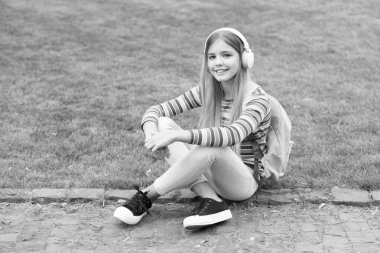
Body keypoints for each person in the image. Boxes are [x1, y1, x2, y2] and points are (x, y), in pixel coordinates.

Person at [114, 27, 271, 230]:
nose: (218, 63)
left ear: (244, 59)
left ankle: (147, 196)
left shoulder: (257, 99)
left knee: (212, 145)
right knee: (163, 123)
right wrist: (152, 131)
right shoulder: (209, 91)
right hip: (211, 174)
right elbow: (157, 110)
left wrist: (179, 135)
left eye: (226, 55)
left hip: (242, 184)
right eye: (212, 57)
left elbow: (232, 135)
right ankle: (212, 201)